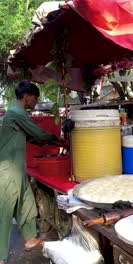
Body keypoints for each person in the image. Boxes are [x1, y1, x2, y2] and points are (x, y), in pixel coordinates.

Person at [0, 81, 63, 264]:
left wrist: (51, 142)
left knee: (26, 204)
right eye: (35, 98)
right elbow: (38, 133)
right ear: (27, 96)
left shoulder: (15, 114)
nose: (36, 102)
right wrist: (55, 138)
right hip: (7, 170)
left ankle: (29, 239)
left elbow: (31, 137)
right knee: (4, 211)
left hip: (17, 169)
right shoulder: (16, 113)